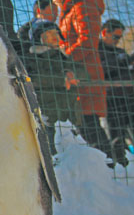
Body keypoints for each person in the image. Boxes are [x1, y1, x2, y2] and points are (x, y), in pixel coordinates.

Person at [48, 0, 122, 166]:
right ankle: (103, 167)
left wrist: (66, 57)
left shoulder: (82, 6)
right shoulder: (71, 9)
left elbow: (88, 41)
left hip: (85, 73)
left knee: (89, 125)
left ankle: (108, 167)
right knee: (84, 125)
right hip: (77, 72)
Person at [23, 20, 89, 155]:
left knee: (75, 154)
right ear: (38, 38)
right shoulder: (32, 58)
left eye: (56, 33)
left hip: (70, 116)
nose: (54, 36)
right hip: (48, 116)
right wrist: (61, 80)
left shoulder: (63, 57)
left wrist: (72, 74)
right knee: (52, 154)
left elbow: (84, 73)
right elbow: (34, 78)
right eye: (48, 33)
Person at [99, 19, 134, 162]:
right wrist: (122, 62)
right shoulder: (95, 51)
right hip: (111, 100)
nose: (118, 40)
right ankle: (121, 167)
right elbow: (100, 71)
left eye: (120, 37)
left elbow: (129, 74)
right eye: (116, 37)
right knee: (117, 136)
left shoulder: (120, 52)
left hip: (129, 97)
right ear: (105, 32)